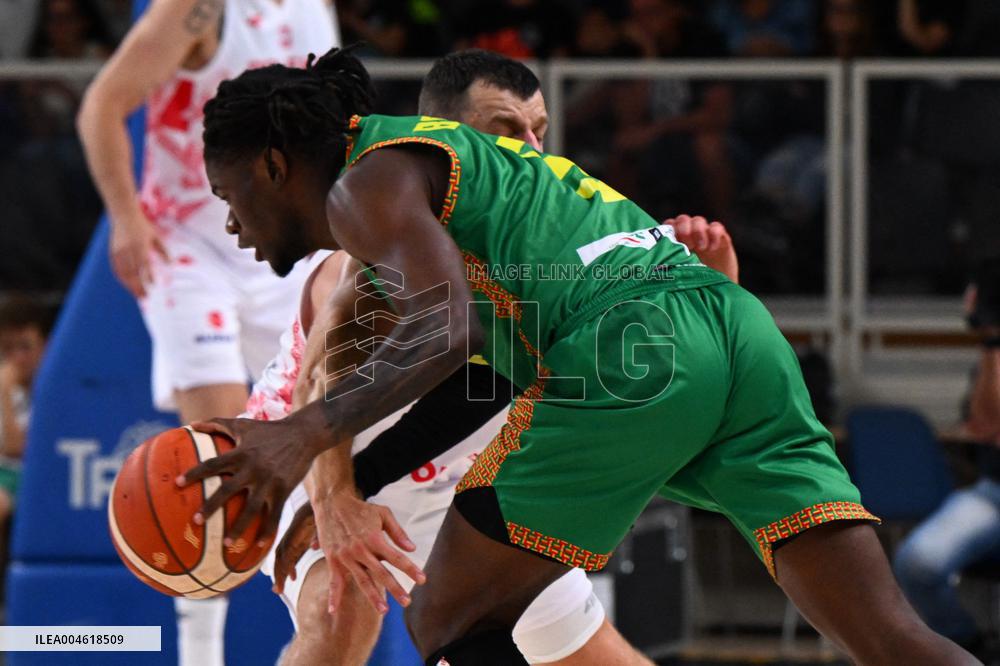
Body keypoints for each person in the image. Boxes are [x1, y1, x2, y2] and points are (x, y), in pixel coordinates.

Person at [187, 47, 976, 665]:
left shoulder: (367, 185)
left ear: (274, 167)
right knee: (891, 639)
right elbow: (449, 360)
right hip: (736, 330)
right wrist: (345, 476)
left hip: (627, 346)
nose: (232, 227)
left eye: (228, 199)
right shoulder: (453, 197)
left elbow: (447, 333)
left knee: (451, 618)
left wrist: (298, 436)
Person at [249, 49, 736, 665]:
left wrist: (712, 285)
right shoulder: (379, 237)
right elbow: (318, 385)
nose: (531, 150)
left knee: (591, 655)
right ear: (443, 142)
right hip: (326, 460)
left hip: (458, 484)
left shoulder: (562, 250)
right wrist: (335, 502)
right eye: (506, 129)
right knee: (340, 616)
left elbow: (660, 383)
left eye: (541, 132)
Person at [76, 1, 340, 664]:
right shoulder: (197, 9)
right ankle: (200, 654)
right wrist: (125, 218)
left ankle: (320, 636)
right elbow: (101, 105)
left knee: (319, 446)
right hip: (190, 245)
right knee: (221, 459)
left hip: (280, 242)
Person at [894, 257, 1000, 658]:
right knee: (919, 561)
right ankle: (967, 648)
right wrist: (991, 339)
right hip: (994, 492)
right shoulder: (994, 358)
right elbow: (988, 423)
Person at [0, 297, 53, 552]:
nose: (17, 359)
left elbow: (16, 448)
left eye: (25, 347)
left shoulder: (55, 391)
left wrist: (6, 392)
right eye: (8, 349)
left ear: (45, 346)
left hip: (37, 476)